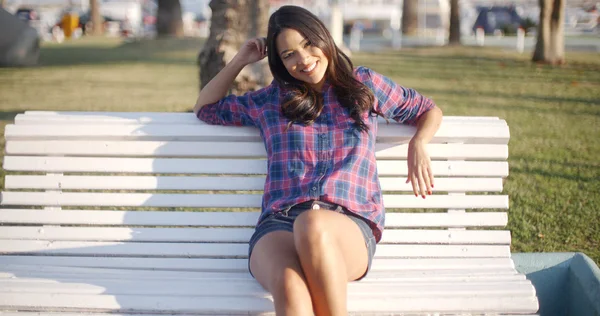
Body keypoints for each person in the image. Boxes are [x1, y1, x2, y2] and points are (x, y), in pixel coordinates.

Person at [193, 5, 442, 315]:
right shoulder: (270, 100)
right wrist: (241, 59)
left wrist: (419, 142)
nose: (303, 59)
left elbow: (427, 109)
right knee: (289, 286)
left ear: (323, 38)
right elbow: (205, 108)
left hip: (348, 223)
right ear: (279, 63)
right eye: (288, 55)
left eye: (308, 44)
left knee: (312, 223)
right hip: (279, 222)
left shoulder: (363, 84)